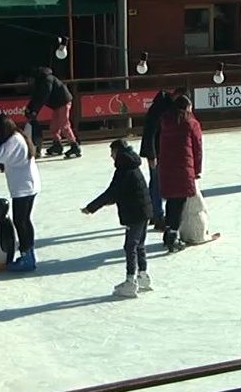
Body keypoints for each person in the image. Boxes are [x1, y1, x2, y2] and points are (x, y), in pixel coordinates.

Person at [82, 139, 153, 298]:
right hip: (144, 210)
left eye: (112, 152)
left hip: (134, 213)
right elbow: (123, 191)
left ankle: (130, 281)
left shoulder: (123, 169)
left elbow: (112, 191)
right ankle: (143, 276)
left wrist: (91, 207)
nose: (111, 156)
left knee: (130, 246)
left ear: (119, 152)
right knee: (139, 245)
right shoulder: (132, 165)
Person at [0, 112, 40, 272]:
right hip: (26, 185)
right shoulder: (16, 136)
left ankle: (28, 258)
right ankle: (28, 255)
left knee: (21, 222)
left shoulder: (13, 139)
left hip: (24, 187)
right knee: (24, 220)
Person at [157, 95, 202, 253]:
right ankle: (173, 236)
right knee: (180, 203)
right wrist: (197, 170)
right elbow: (197, 147)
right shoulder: (191, 123)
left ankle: (168, 232)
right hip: (184, 168)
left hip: (167, 167)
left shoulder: (165, 122)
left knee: (171, 201)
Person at [139, 90, 175, 231]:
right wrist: (152, 155)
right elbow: (150, 133)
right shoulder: (160, 111)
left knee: (156, 182)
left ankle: (154, 213)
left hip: (158, 152)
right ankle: (157, 215)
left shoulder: (159, 108)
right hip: (156, 152)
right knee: (157, 183)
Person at [26, 66, 80, 158]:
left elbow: (43, 97)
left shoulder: (47, 80)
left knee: (64, 125)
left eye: (30, 79)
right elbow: (35, 96)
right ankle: (57, 145)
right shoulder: (39, 82)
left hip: (63, 102)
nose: (29, 81)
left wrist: (35, 111)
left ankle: (74, 146)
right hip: (57, 104)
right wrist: (29, 108)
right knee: (54, 127)